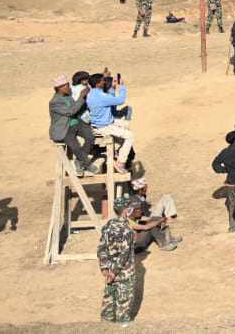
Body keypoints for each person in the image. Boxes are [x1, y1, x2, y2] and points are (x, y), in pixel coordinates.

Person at [98, 195, 139, 325]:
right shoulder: (127, 230)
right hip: (124, 273)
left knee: (108, 300)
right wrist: (114, 272)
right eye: (130, 208)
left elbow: (101, 248)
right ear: (126, 210)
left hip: (109, 271)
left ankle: (106, 325)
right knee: (124, 302)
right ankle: (122, 323)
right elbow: (124, 254)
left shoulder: (107, 226)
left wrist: (105, 268)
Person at [87, 75, 134, 172]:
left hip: (98, 123)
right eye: (102, 81)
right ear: (97, 84)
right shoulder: (102, 96)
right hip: (104, 126)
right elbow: (120, 100)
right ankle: (120, 162)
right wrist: (122, 87)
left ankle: (119, 150)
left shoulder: (90, 94)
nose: (104, 83)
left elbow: (109, 99)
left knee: (126, 125)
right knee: (130, 136)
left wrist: (112, 88)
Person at [48, 76, 95, 175]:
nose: (68, 88)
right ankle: (87, 163)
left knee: (90, 137)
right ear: (59, 89)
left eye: (68, 85)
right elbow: (70, 111)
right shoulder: (54, 102)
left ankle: (79, 161)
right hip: (64, 129)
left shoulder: (68, 96)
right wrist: (81, 97)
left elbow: (76, 108)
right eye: (65, 86)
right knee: (75, 145)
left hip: (76, 123)